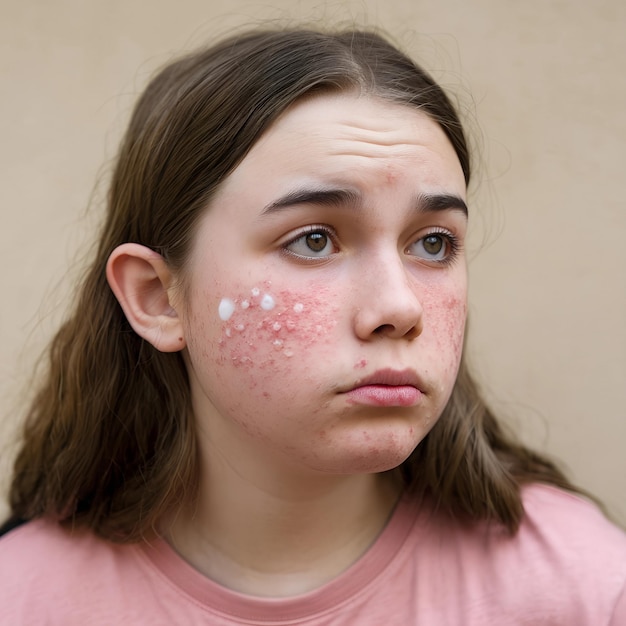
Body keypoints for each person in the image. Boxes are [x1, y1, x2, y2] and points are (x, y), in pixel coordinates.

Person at [0, 26, 624, 625]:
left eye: (433, 243)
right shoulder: (22, 599)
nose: (399, 307)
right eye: (315, 239)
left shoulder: (585, 589)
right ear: (159, 298)